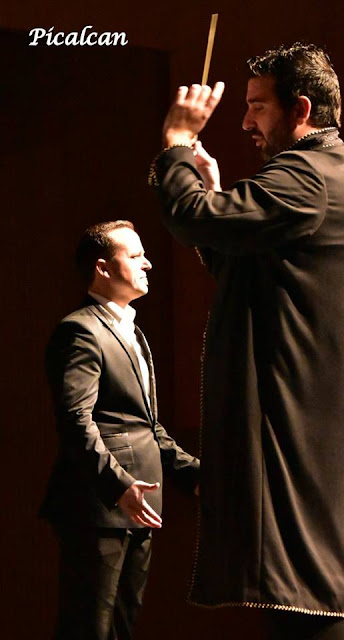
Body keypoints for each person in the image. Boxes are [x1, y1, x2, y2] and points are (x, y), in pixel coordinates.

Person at [150, 43, 344, 639]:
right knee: (301, 592)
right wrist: (214, 190)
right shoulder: (336, 170)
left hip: (295, 427)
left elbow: (192, 217)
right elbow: (243, 260)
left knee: (305, 594)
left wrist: (176, 144)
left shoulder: (309, 175)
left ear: (300, 109)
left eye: (257, 106)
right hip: (306, 428)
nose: (245, 122)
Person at [40, 220, 200, 640]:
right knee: (87, 630)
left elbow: (146, 426)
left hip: (138, 506)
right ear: (103, 268)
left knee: (121, 629)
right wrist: (118, 486)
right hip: (99, 507)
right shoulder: (80, 330)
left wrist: (195, 475)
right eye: (134, 255)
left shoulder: (134, 332)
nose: (148, 263)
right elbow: (76, 421)